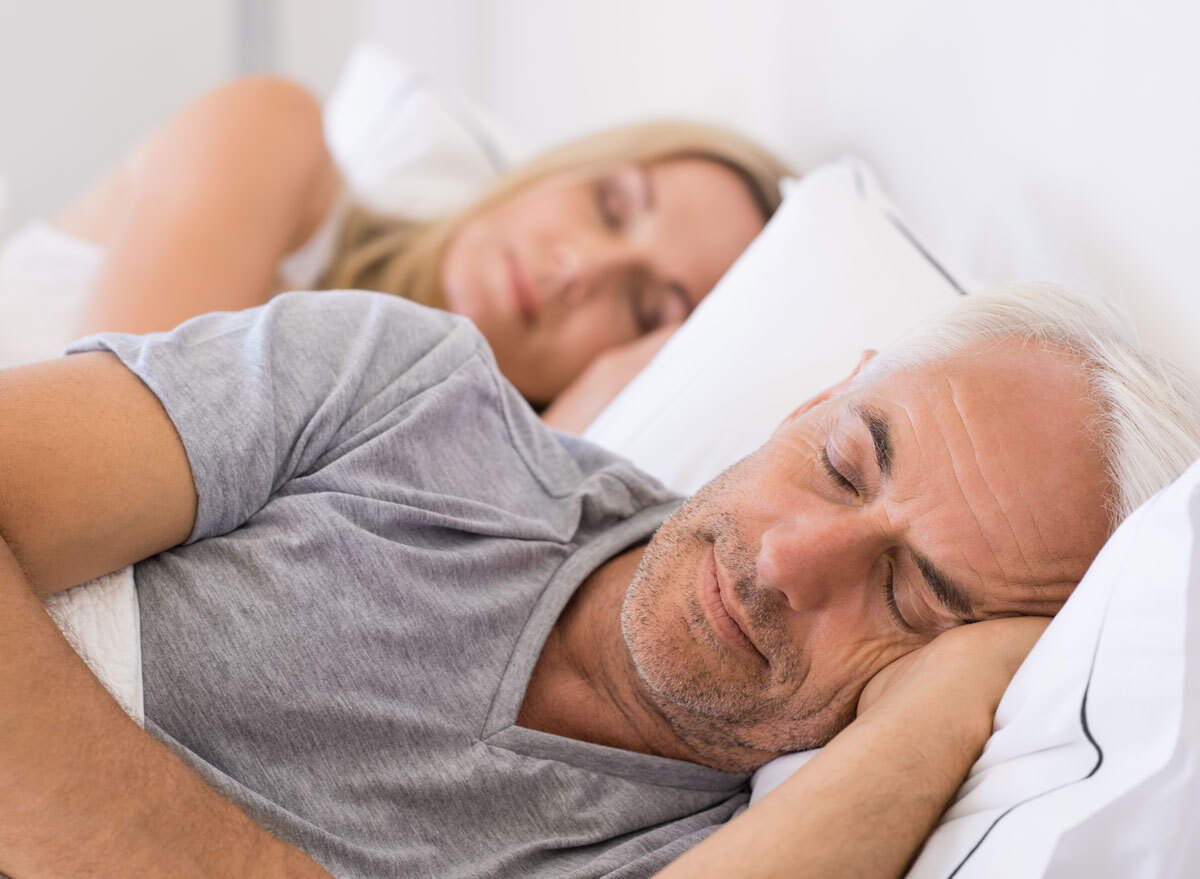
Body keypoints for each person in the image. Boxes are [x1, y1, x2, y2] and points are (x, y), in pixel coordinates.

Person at [1, 283, 1198, 878]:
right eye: (841, 465)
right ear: (818, 396)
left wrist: (942, 714)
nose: (789, 562)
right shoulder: (402, 394)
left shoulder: (745, 845)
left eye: (913, 595)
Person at [44, 76, 790, 431]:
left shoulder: (455, 506)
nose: (582, 268)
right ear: (563, 169)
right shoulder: (273, 137)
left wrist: (560, 450)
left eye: (645, 308)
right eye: (611, 205)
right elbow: (99, 458)